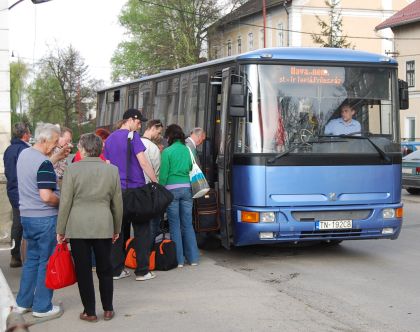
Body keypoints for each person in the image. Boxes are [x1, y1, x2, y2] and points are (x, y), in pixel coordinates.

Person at [57, 133, 122, 322]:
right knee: (105, 268)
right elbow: (117, 203)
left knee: (84, 271)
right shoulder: (112, 171)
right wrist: (116, 228)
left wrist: (60, 229)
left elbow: (66, 202)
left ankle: (90, 312)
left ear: (83, 149)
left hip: (78, 226)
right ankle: (108, 309)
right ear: (100, 149)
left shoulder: (72, 170)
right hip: (103, 224)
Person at [13, 123, 62, 318]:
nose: (56, 146)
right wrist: (62, 202)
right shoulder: (44, 164)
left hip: (27, 216)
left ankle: (23, 302)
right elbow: (46, 196)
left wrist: (53, 158)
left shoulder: (24, 155)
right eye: (55, 141)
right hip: (44, 218)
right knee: (46, 262)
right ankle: (43, 307)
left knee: (31, 260)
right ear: (44, 139)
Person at [104, 108, 158, 281]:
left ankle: (116, 270)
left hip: (116, 190)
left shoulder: (110, 138)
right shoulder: (133, 137)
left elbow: (107, 163)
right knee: (142, 230)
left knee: (117, 231)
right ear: (129, 120)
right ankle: (142, 271)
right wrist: (155, 181)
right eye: (138, 122)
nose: (139, 125)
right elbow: (143, 162)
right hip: (135, 190)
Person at [160, 124, 199, 267]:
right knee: (187, 224)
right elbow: (190, 168)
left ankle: (179, 260)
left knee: (175, 224)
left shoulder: (167, 152)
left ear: (169, 137)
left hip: (172, 191)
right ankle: (193, 258)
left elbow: (163, 174)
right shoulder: (188, 150)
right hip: (187, 189)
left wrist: (160, 189)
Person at [3, 123, 31, 268]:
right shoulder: (25, 150)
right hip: (25, 191)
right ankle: (28, 257)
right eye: (29, 132)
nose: (31, 134)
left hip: (13, 190)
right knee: (27, 223)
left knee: (17, 224)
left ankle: (15, 256)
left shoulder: (8, 150)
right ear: (25, 134)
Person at [141, 119, 164, 244]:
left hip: (136, 189)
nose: (159, 136)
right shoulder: (153, 147)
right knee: (152, 224)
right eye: (159, 132)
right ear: (153, 128)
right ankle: (148, 252)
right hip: (150, 189)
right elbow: (157, 170)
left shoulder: (135, 143)